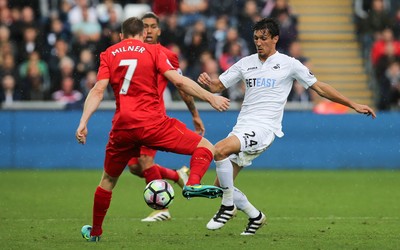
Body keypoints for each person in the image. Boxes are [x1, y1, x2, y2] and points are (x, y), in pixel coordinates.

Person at [197, 17, 376, 236]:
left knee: (219, 150)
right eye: (256, 38)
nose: (259, 42)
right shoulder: (246, 63)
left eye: (264, 38)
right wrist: (207, 83)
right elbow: (218, 85)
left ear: (275, 38)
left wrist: (353, 104)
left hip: (264, 128)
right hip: (242, 126)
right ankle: (256, 217)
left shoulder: (289, 64)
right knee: (221, 184)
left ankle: (227, 207)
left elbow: (319, 87)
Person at [75, 17, 230, 242]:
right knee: (206, 147)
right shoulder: (153, 52)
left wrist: (83, 122)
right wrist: (210, 97)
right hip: (153, 124)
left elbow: (99, 90)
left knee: (108, 180)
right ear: (141, 34)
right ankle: (192, 182)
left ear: (121, 36)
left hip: (123, 127)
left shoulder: (109, 53)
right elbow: (179, 82)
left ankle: (96, 232)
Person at [127, 12, 205, 222]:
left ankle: (162, 209)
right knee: (135, 167)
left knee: (145, 160)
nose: (149, 30)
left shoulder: (166, 55)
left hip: (153, 120)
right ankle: (176, 175)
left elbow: (181, 86)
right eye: (145, 26)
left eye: (153, 26)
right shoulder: (131, 53)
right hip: (132, 120)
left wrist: (195, 114)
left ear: (159, 30)